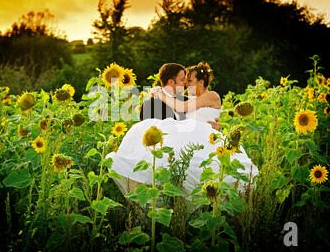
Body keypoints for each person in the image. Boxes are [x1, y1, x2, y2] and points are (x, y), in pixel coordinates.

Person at [108, 62, 259, 196]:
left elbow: (184, 109)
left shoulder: (201, 97)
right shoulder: (157, 103)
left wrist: (215, 127)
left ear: (201, 81)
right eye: (183, 80)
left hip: (199, 143)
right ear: (170, 82)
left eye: (189, 80)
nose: (186, 83)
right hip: (176, 149)